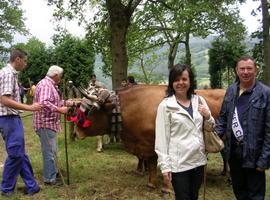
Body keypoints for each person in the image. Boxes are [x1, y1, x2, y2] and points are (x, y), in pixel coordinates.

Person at [155, 64, 214, 200]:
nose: (180, 83)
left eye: (184, 79)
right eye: (176, 80)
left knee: (194, 196)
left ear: (190, 81)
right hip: (179, 164)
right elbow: (161, 139)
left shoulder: (199, 100)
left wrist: (208, 116)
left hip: (198, 161)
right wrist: (165, 167)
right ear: (171, 83)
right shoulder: (166, 106)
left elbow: (210, 127)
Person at [215, 56, 270, 200]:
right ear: (236, 71)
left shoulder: (266, 93)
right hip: (233, 153)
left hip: (254, 154)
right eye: (242, 69)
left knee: (255, 196)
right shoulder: (231, 90)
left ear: (255, 70)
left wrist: (264, 160)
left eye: (249, 68)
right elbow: (223, 118)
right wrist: (212, 138)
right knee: (239, 193)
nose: (245, 72)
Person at [0, 48, 42, 196]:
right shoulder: (7, 74)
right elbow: (4, 100)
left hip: (12, 118)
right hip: (8, 119)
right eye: (24, 61)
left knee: (20, 154)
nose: (25, 64)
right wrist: (30, 107)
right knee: (16, 154)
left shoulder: (11, 74)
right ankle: (6, 189)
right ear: (17, 59)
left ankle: (32, 186)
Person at [33, 65, 75, 186]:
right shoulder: (46, 84)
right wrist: (59, 110)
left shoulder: (50, 85)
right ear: (56, 75)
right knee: (49, 153)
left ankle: (54, 173)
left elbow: (53, 101)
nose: (61, 78)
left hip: (50, 123)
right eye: (60, 76)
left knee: (53, 151)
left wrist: (69, 102)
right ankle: (49, 179)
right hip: (45, 123)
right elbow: (44, 102)